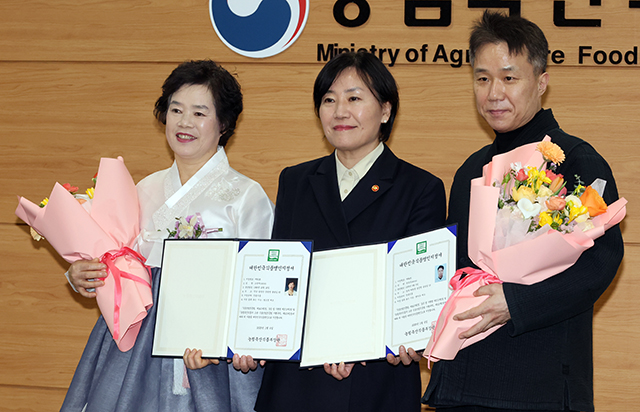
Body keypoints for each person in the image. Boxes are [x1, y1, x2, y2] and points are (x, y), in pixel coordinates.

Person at [422, 11, 624, 412]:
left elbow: (601, 262)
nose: (493, 92)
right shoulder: (470, 170)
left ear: (541, 82)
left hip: (539, 384)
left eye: (509, 78)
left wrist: (514, 303)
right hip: (463, 379)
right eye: (482, 79)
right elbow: (454, 269)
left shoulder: (574, 160)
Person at [61, 60, 274, 412]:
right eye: (176, 109)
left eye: (199, 112)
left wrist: (237, 345)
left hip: (209, 353)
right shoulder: (143, 188)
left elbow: (260, 286)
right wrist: (80, 275)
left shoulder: (245, 195)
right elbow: (116, 265)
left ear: (224, 124)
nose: (184, 122)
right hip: (136, 343)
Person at [252, 51, 446, 412]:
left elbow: (419, 293)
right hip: (296, 383)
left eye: (354, 98)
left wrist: (410, 340)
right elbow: (282, 278)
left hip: (376, 383)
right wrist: (254, 339)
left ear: (385, 110)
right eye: (329, 100)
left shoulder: (420, 187)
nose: (340, 111)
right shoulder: (295, 180)